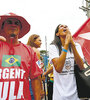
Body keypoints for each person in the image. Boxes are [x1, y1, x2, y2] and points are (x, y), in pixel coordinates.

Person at [0, 13, 42, 100]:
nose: (13, 25)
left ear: (20, 29)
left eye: (16, 23)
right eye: (9, 22)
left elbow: (35, 78)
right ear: (3, 27)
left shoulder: (29, 51)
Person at [49, 24, 85, 100]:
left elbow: (81, 67)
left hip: (75, 95)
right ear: (57, 34)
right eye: (61, 26)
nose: (64, 27)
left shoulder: (77, 46)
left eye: (66, 26)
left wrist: (72, 45)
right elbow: (58, 69)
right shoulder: (53, 47)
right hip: (59, 96)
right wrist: (65, 45)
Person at [27, 34, 45, 99]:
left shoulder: (27, 49)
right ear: (34, 41)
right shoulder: (35, 50)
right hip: (33, 83)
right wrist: (41, 88)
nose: (41, 42)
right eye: (39, 40)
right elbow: (37, 72)